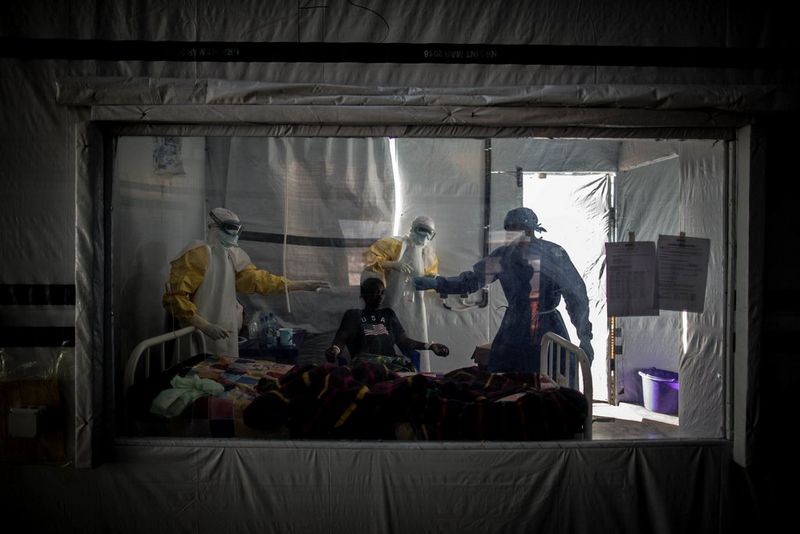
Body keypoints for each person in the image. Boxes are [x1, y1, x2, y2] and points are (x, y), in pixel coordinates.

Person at [414, 207, 593, 373]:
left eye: (517, 230)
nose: (513, 236)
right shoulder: (505, 255)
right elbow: (472, 280)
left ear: (531, 230)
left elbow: (576, 294)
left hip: (547, 328)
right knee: (506, 383)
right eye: (510, 231)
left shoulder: (553, 253)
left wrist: (585, 337)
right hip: (515, 328)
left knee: (554, 381)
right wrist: (437, 284)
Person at [163, 207, 330, 357]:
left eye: (238, 229)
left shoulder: (234, 256)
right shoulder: (196, 254)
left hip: (225, 329)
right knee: (195, 373)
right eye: (230, 228)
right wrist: (205, 326)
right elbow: (176, 298)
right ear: (214, 227)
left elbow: (260, 281)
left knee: (222, 373)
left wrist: (300, 285)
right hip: (197, 332)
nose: (235, 234)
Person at [362, 215, 439, 369]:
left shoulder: (428, 253)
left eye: (428, 232)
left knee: (414, 332)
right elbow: (369, 260)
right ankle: (387, 367)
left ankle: (416, 369)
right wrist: (392, 264)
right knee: (389, 333)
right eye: (421, 230)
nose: (424, 235)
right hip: (392, 299)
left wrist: (433, 279)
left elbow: (431, 275)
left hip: (415, 304)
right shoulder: (393, 244)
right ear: (412, 229)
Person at [325, 277, 449, 372]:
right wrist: (334, 350)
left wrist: (430, 346)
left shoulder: (388, 314)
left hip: (392, 366)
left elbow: (403, 341)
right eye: (374, 292)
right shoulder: (353, 315)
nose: (379, 296)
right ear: (363, 294)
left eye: (382, 293)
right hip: (366, 368)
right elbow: (341, 339)